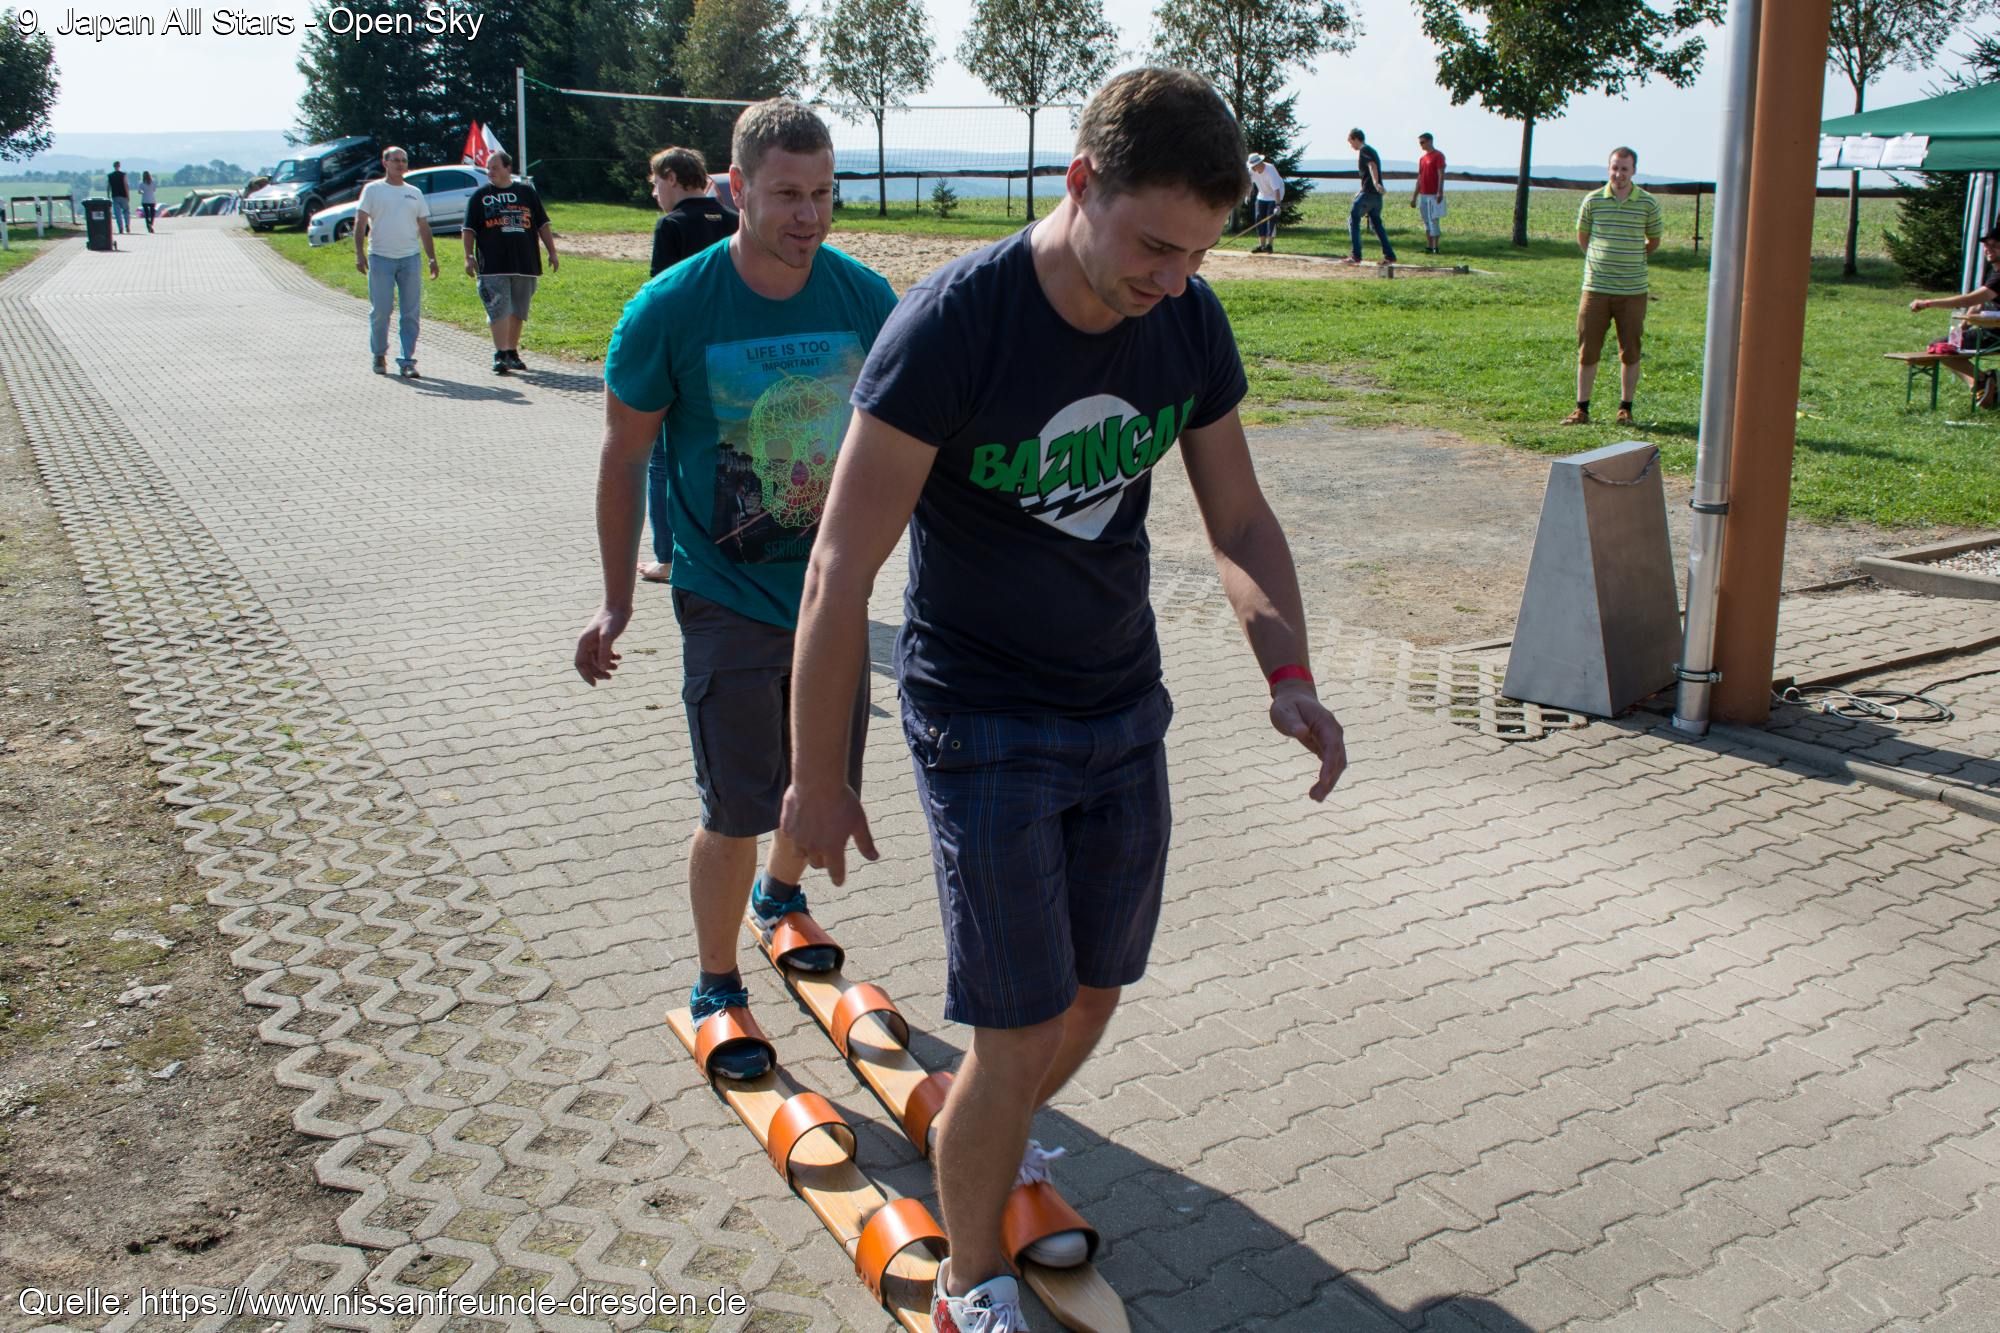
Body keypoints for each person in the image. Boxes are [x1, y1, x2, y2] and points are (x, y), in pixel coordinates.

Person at [780, 67, 1347, 1333]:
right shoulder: (952, 327)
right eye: (1152, 246)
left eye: (1197, 254)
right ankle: (968, 1284)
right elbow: (838, 566)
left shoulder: (1183, 319)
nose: (1172, 279)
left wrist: (1289, 673)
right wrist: (818, 774)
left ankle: (986, 1131)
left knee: (1091, 992)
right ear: (1078, 182)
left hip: (1121, 705)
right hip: (982, 719)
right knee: (1017, 1024)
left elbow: (1238, 516)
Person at [572, 101, 897, 1085]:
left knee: (822, 776)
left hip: (833, 595)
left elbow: (917, 441)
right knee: (734, 806)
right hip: (722, 593)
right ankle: (717, 983)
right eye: (787, 194)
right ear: (736, 188)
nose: (809, 216)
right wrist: (617, 597)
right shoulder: (671, 309)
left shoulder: (864, 298)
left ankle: (779, 900)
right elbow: (623, 456)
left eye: (823, 194)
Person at [639, 146, 741, 585]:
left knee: (662, 460)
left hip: (685, 359)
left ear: (672, 177)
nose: (654, 193)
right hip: (734, 357)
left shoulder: (672, 225)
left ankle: (668, 557)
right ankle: (734, 545)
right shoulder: (734, 220)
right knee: (730, 457)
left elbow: (660, 299)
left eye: (655, 183)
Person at [1566, 146, 1663, 427]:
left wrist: (1631, 256)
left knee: (1630, 349)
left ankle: (1625, 408)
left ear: (1633, 171)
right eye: (1614, 168)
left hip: (1632, 291)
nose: (1618, 174)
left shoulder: (1647, 204)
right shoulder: (1593, 201)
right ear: (1608, 168)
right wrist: (1599, 259)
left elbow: (1653, 241)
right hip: (1595, 288)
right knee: (1587, 348)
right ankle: (1581, 409)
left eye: (1624, 169)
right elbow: (1583, 237)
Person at [463, 151, 559, 375]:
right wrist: (468, 256)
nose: (490, 172)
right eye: (488, 168)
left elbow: (542, 224)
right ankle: (500, 354)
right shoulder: (480, 196)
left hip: (525, 262)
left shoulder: (526, 193)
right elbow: (468, 229)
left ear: (508, 168)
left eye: (495, 167)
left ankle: (512, 351)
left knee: (518, 309)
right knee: (498, 308)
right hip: (493, 265)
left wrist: (552, 252)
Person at [354, 147, 439, 379]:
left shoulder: (414, 192)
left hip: (410, 258)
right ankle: (379, 354)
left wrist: (432, 258)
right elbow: (360, 222)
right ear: (385, 163)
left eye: (404, 161)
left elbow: (424, 227)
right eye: (395, 160)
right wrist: (359, 253)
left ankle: (407, 360)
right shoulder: (373, 190)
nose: (400, 164)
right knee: (381, 310)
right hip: (380, 258)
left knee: (410, 312)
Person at [1909, 225, 2000, 409]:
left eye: (1995, 245)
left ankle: (1982, 381)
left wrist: (1928, 303)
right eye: (1986, 245)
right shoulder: (1995, 271)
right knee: (1943, 346)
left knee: (1938, 348)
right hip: (1991, 330)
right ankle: (1982, 384)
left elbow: (1971, 299)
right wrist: (1962, 328)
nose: (1988, 249)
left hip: (1995, 335)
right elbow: (1978, 304)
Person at [1344, 129, 1396, 265]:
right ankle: (1389, 255)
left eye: (1351, 142)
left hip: (1368, 194)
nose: (1351, 146)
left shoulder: (1364, 151)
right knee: (1376, 224)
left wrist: (1375, 183)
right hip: (1376, 197)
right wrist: (1362, 189)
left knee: (1353, 219)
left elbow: (1372, 166)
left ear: (1356, 139)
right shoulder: (1372, 150)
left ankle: (1356, 255)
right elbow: (1369, 172)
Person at [1411, 132, 1446, 255]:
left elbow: (1441, 174)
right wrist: (1414, 196)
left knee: (1433, 220)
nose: (1421, 145)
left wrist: (1439, 191)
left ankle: (1436, 247)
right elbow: (1420, 177)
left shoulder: (1438, 156)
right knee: (1426, 220)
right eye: (1420, 143)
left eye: (1423, 142)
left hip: (1433, 194)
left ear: (1430, 141)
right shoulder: (1422, 159)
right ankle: (1429, 246)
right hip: (1423, 193)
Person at [1246, 152, 1284, 254]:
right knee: (1259, 218)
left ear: (1259, 163)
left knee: (1271, 219)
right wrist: (1247, 195)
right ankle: (1261, 246)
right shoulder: (1252, 171)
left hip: (1275, 195)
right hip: (1262, 194)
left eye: (1254, 166)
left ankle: (1269, 245)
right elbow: (1250, 184)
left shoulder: (1270, 170)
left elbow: (1276, 190)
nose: (1253, 168)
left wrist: (1277, 205)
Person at [107, 161, 130, 234]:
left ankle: (120, 228)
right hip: (123, 195)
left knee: (118, 214)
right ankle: (127, 225)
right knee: (126, 211)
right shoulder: (123, 175)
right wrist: (128, 195)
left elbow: (108, 186)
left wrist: (108, 195)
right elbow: (125, 185)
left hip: (115, 196)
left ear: (113, 166)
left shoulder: (110, 175)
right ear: (119, 166)